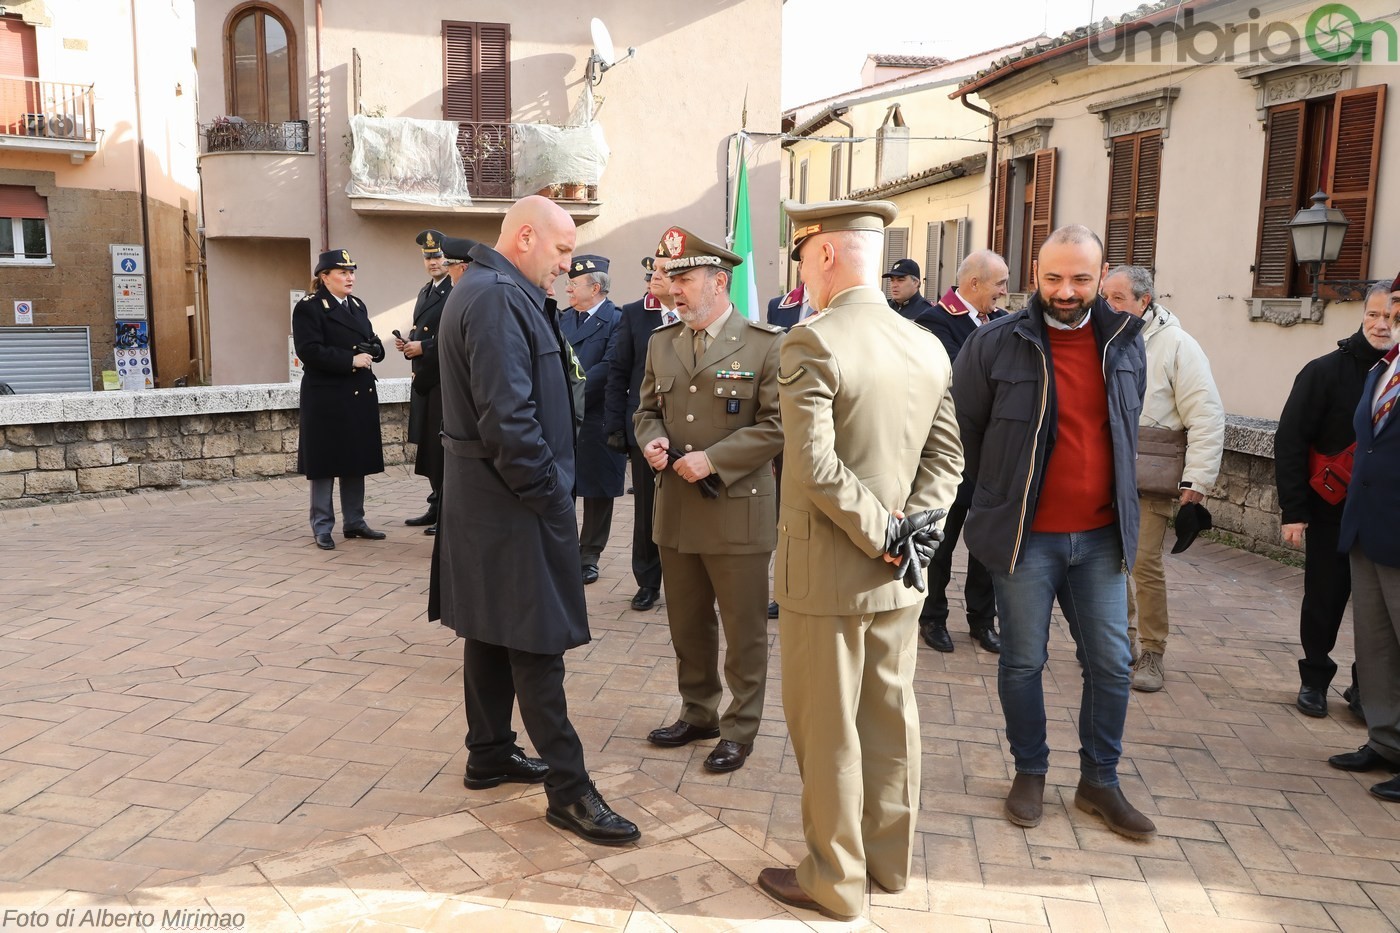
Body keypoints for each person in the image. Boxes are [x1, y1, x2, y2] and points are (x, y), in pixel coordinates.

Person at [757, 200, 963, 922]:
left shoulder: (810, 342)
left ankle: (834, 880)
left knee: (829, 729)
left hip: (832, 572)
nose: (803, 276)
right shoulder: (928, 344)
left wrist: (880, 531)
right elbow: (947, 459)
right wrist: (911, 534)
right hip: (903, 573)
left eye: (803, 259)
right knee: (890, 717)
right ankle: (888, 864)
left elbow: (813, 466)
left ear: (823, 256)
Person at [429, 195, 639, 846]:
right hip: (513, 502)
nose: (567, 266)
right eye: (562, 250)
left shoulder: (496, 289)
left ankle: (488, 751)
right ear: (524, 236)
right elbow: (509, 421)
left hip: (496, 501)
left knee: (491, 629)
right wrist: (551, 493)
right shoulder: (494, 296)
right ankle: (570, 791)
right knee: (535, 643)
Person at [952, 224, 1154, 841]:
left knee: (1113, 664)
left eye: (1081, 279)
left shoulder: (1125, 342)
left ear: (1101, 278)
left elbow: (1124, 427)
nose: (1066, 291)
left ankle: (1100, 781)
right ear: (1035, 274)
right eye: (1053, 278)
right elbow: (966, 432)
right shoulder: (993, 344)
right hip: (1025, 539)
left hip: (1100, 538)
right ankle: (1030, 772)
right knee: (1022, 662)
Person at [633, 226, 784, 774]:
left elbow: (779, 423)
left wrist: (715, 459)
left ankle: (739, 728)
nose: (674, 289)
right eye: (671, 278)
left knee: (743, 630)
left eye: (686, 278)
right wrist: (649, 437)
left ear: (719, 282)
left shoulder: (767, 343)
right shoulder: (661, 342)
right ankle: (699, 712)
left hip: (737, 511)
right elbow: (648, 408)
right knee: (687, 624)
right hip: (676, 508)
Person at [1101, 265, 1225, 693]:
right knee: (1105, 563)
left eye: (1118, 298)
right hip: (1102, 471)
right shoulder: (1099, 337)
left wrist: (1198, 479)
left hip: (1149, 474)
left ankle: (1153, 651)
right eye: (1105, 296)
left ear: (1144, 302)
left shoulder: (1178, 346)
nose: (1108, 305)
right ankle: (1120, 645)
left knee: (1141, 564)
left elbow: (1206, 415)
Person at [1275, 284, 1394, 718]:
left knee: (1378, 611)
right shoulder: (1323, 371)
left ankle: (1367, 689)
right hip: (1330, 511)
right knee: (1324, 598)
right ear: (1363, 316)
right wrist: (1294, 511)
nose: (1382, 324)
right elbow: (1290, 441)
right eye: (1374, 315)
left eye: (1391, 317)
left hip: (1387, 516)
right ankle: (1315, 680)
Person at [912, 249, 1010, 654]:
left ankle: (982, 621)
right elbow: (955, 384)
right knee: (942, 540)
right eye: (1000, 284)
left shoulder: (1003, 323)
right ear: (974, 284)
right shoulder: (934, 322)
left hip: (994, 454)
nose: (1006, 293)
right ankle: (932, 617)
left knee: (987, 543)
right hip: (949, 452)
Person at [1330, 277, 1400, 799]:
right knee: (1375, 644)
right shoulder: (1385, 367)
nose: (1392, 315)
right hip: (1368, 525)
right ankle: (1386, 740)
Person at [291, 248, 387, 551]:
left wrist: (374, 351)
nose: (350, 277)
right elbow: (309, 350)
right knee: (324, 462)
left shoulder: (357, 305)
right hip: (326, 395)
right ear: (324, 277)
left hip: (358, 393)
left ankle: (355, 521)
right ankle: (322, 526)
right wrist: (350, 360)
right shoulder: (310, 307)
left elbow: (370, 341)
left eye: (352, 272)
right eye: (343, 272)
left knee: (354, 458)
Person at [604, 256, 678, 611]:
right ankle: (647, 581)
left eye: (662, 273)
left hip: (689, 434)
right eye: (651, 274)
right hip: (646, 431)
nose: (654, 279)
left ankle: (685, 581)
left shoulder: (695, 313)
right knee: (647, 510)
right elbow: (618, 372)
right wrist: (616, 426)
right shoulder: (635, 313)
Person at [560, 255, 626, 585]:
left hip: (597, 414)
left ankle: (590, 554)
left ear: (595, 288)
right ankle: (564, 549)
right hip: (563, 415)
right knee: (563, 485)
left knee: (598, 490)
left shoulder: (618, 319)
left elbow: (610, 367)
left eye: (574, 285)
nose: (567, 289)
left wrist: (572, 388)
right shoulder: (562, 319)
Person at [397, 230, 456, 535]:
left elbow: (454, 336)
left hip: (443, 380)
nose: (434, 262)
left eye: (438, 256)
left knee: (441, 449)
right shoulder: (426, 291)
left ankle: (447, 509)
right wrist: (410, 343)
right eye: (428, 257)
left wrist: (424, 347)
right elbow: (425, 330)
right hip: (425, 378)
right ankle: (435, 504)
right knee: (429, 447)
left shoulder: (455, 289)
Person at [763, 281, 813, 620]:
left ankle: (816, 585)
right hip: (785, 426)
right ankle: (786, 588)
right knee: (789, 515)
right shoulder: (779, 306)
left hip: (833, 426)